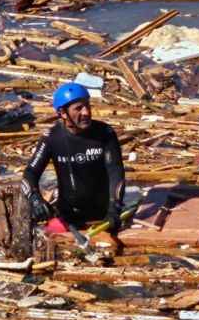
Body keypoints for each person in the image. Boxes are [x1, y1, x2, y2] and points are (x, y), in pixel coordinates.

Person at [21, 82, 125, 232]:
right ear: (63, 113)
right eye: (78, 108)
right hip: (68, 217)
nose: (86, 112)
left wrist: (115, 207)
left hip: (104, 216)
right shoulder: (52, 137)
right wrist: (35, 199)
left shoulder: (105, 133)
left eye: (87, 106)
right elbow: (30, 173)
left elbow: (116, 172)